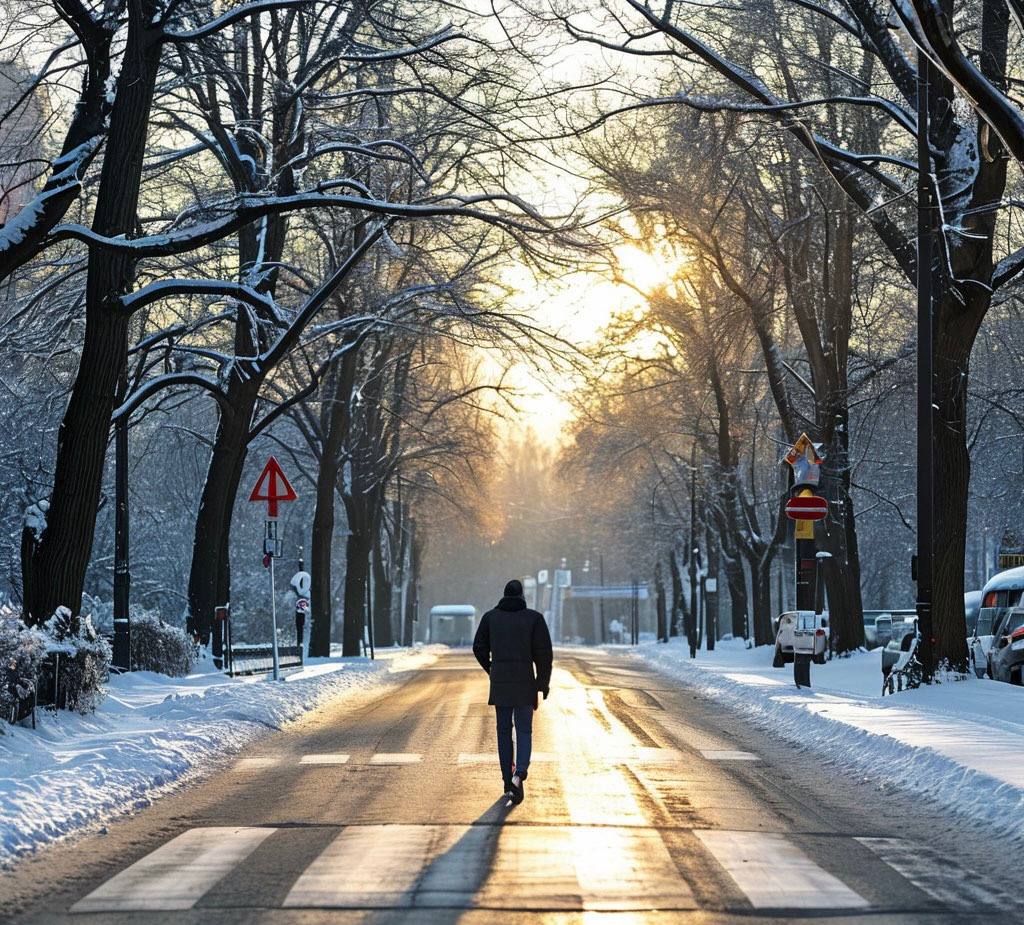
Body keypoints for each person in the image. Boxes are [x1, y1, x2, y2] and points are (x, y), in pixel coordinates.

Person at [473, 579, 553, 805]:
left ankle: (507, 778)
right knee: (524, 730)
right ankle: (519, 774)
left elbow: (478, 647)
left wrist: (491, 667)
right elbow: (544, 654)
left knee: (504, 732)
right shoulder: (534, 619)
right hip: (525, 682)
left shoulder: (491, 618)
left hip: (501, 683)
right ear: (522, 596)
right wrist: (542, 683)